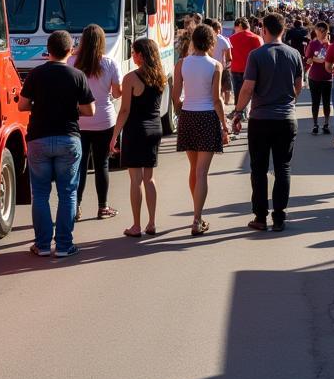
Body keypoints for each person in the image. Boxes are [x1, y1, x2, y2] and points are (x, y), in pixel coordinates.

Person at [20, 30, 95, 257]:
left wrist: (41, 105)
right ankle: (64, 245)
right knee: (68, 193)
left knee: (40, 194)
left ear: (48, 50)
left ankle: (42, 245)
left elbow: (22, 106)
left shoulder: (35, 74)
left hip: (39, 138)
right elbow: (89, 110)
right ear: (70, 50)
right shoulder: (77, 75)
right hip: (68, 139)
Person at [232, 13, 303, 231]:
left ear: (264, 30)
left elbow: (247, 87)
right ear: (283, 30)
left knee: (259, 169)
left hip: (261, 119)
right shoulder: (294, 54)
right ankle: (279, 216)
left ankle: (260, 217)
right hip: (286, 118)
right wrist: (289, 101)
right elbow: (299, 85)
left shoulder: (257, 55)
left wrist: (238, 111)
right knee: (283, 167)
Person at [174, 24, 228, 236]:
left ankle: (196, 212)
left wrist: (181, 112)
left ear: (193, 40)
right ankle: (197, 218)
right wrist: (224, 125)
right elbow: (216, 99)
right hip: (207, 116)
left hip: (188, 115)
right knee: (202, 171)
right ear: (211, 42)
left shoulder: (181, 64)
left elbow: (176, 96)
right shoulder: (215, 65)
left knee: (193, 168)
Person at [111, 37, 166, 238]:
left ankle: (136, 225)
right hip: (154, 128)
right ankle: (151, 223)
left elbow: (124, 110)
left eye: (134, 52)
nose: (132, 55)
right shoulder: (160, 77)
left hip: (135, 130)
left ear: (141, 55)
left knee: (135, 179)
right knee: (149, 178)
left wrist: (114, 136)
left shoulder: (131, 78)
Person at [69, 23, 121, 222]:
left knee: (79, 165)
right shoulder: (109, 63)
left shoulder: (72, 62)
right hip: (104, 120)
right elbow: (117, 93)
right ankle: (103, 207)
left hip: (79, 120)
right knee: (102, 165)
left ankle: (76, 207)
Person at [305, 21, 333, 134]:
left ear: (326, 31)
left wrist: (322, 61)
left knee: (326, 102)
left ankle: (326, 124)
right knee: (315, 102)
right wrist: (319, 60)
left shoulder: (330, 45)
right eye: (317, 30)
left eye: (322, 30)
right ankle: (315, 124)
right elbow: (308, 59)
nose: (320, 32)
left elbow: (333, 60)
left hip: (327, 77)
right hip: (314, 76)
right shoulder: (312, 44)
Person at [229, 17, 262, 101]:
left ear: (239, 26)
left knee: (238, 93)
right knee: (253, 94)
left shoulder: (231, 39)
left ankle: (239, 111)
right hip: (253, 70)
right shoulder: (257, 38)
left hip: (236, 69)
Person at [207, 19, 234, 103]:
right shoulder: (223, 40)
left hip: (209, 67)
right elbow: (229, 57)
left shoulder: (207, 39)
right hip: (222, 67)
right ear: (219, 29)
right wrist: (228, 66)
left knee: (215, 89)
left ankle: (217, 104)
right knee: (227, 88)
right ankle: (225, 105)